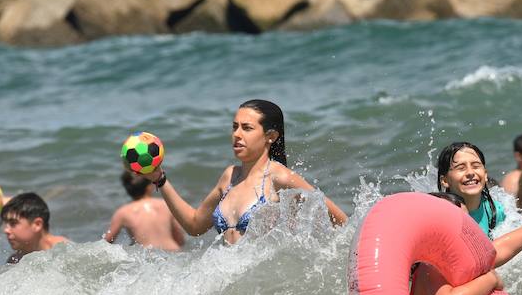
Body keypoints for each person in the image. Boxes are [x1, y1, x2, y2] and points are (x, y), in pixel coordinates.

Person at [147, 99, 348, 245]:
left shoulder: (280, 177)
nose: (237, 134)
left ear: (271, 136)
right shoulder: (230, 177)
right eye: (234, 127)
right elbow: (194, 226)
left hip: (266, 289)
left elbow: (340, 220)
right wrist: (160, 180)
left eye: (247, 128)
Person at [104, 170, 185, 251]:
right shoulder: (165, 205)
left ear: (127, 189)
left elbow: (107, 242)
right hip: (173, 252)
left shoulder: (123, 212)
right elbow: (180, 239)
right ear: (149, 187)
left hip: (147, 255)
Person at [435, 141, 505, 237]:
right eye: (461, 168)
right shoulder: (439, 217)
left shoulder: (496, 212)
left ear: (485, 175)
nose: (470, 173)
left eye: (476, 166)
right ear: (445, 180)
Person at [1, 192, 70, 263]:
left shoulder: (64, 251)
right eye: (6, 224)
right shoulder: (15, 260)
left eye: (13, 223)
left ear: (37, 224)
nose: (6, 230)